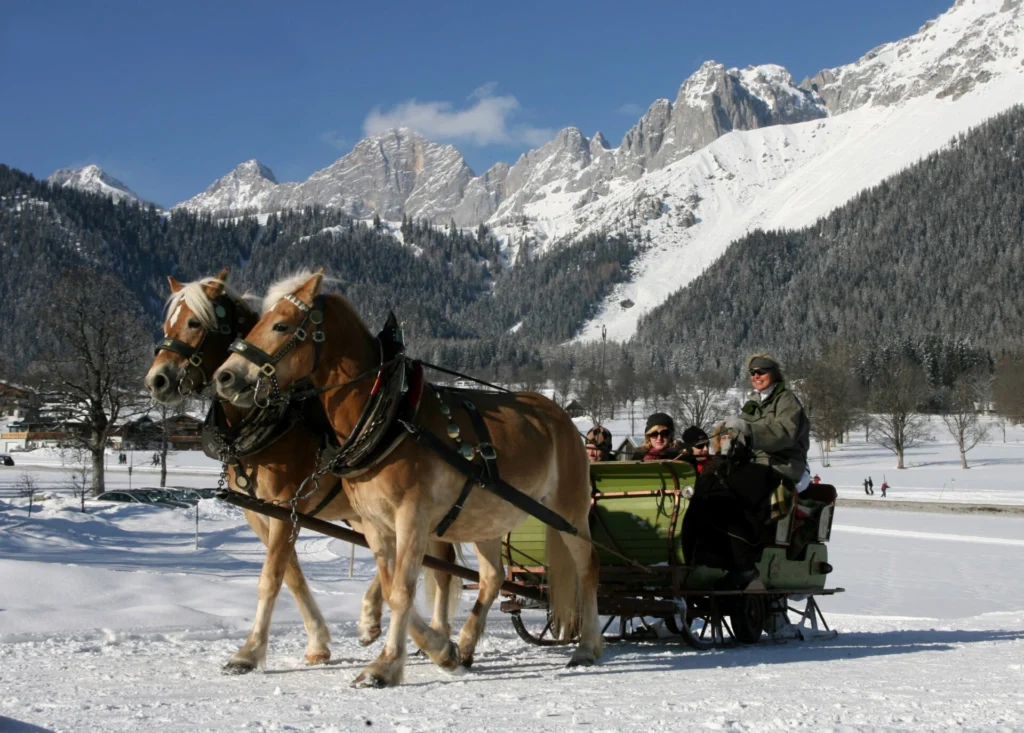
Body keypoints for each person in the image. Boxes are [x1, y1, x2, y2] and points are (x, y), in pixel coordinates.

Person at [682, 421, 776, 590]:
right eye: (699, 446)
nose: (704, 449)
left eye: (705, 445)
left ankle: (741, 567)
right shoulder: (690, 467)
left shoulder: (722, 467)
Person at [734, 354, 810, 488]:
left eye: (761, 371)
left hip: (783, 463)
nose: (756, 376)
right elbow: (741, 434)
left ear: (774, 374)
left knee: (746, 486)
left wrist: (750, 433)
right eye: (752, 372)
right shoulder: (752, 403)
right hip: (754, 463)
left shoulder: (786, 400)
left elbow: (785, 433)